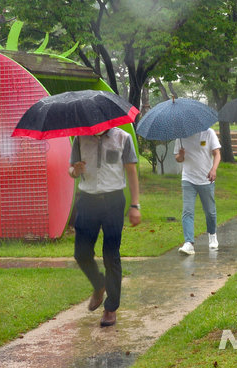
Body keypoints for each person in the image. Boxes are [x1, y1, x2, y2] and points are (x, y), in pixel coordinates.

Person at [69, 127, 141, 327]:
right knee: (81, 253)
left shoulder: (122, 138)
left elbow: (131, 171)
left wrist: (135, 205)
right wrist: (75, 170)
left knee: (111, 255)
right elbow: (71, 169)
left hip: (112, 201)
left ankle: (110, 308)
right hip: (87, 201)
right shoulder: (79, 138)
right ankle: (99, 284)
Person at [174, 128, 221, 255]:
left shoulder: (208, 133)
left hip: (206, 178)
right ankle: (189, 243)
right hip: (188, 179)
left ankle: (212, 235)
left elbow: (217, 153)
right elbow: (177, 158)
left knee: (210, 212)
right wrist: (181, 156)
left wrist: (214, 169)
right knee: (187, 211)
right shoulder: (180, 136)